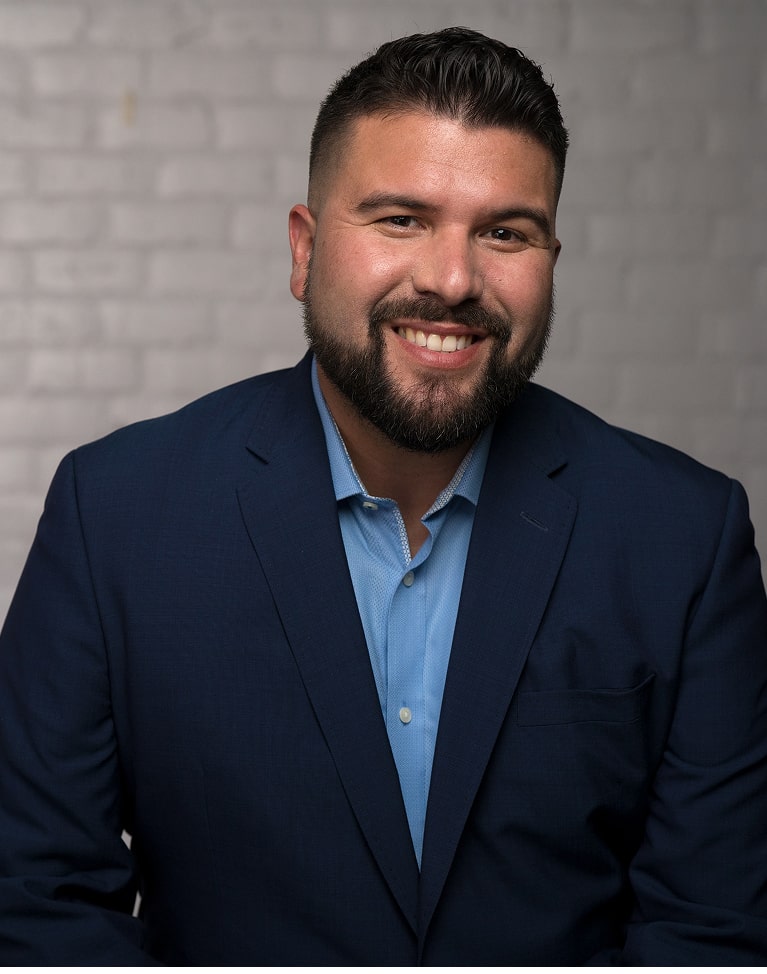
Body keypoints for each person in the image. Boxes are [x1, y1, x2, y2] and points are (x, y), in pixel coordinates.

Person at [1, 27, 766, 965]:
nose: (452, 280)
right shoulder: (114, 514)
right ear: (304, 250)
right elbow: (35, 904)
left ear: (551, 258)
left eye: (505, 232)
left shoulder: (683, 537)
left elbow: (712, 933)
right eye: (401, 219)